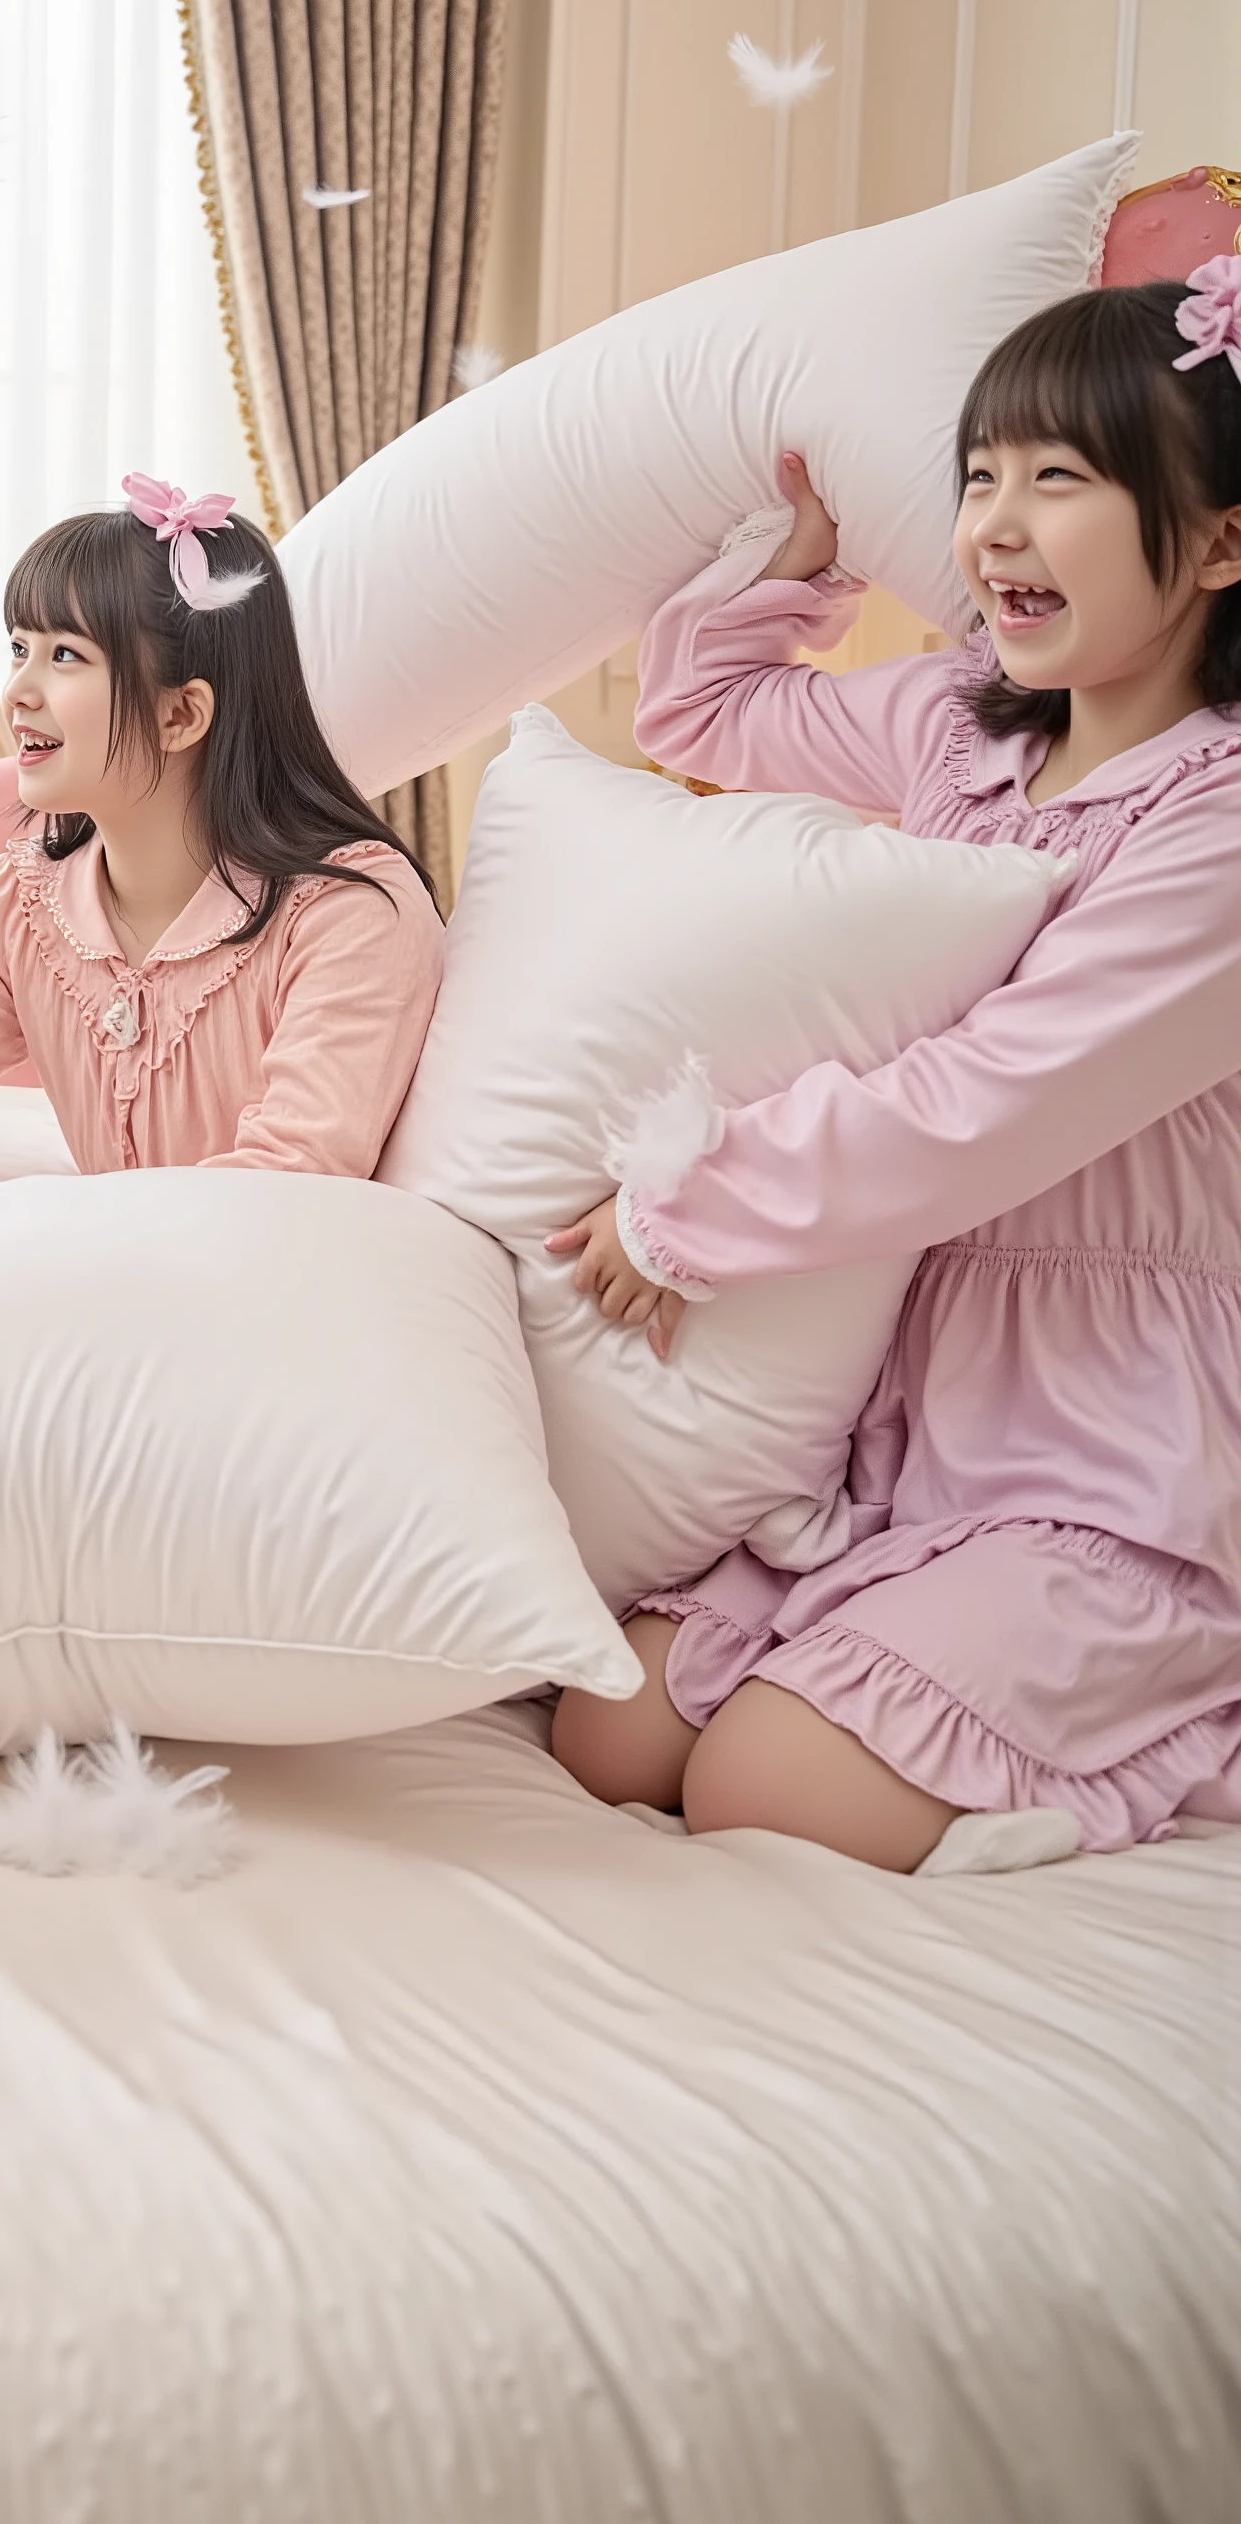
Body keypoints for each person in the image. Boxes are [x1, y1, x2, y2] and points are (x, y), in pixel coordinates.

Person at [549, 266, 1241, 1866]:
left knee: (764, 1787)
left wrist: (686, 1201)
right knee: (608, 1733)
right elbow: (700, 709)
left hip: (1107, 1435)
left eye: (1059, 480)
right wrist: (802, 565)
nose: (993, 528)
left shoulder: (1212, 825)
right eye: (980, 474)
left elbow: (995, 1100)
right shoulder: (958, 730)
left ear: (1217, 540)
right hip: (896, 1409)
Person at [0, 477, 442, 1208]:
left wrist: (15, 1233)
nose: (17, 689)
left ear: (181, 714)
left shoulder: (349, 913)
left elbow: (289, 1185)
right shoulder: (19, 906)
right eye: (19, 648)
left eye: (66, 657)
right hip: (101, 1300)